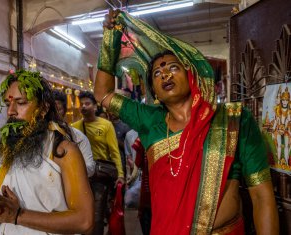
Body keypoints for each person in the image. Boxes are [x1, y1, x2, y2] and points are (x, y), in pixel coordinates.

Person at [94, 10, 279, 234]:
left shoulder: (232, 120)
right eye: (157, 73)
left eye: (173, 67)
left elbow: (261, 195)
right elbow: (102, 94)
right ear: (154, 92)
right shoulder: (150, 120)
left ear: (191, 74)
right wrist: (110, 38)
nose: (165, 75)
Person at [0, 69, 94, 234]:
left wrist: (18, 215)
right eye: (8, 104)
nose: (11, 111)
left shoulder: (62, 151)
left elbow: (84, 220)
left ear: (43, 109)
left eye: (21, 103)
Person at [71, 91, 124, 235]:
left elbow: (114, 151)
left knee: (97, 214)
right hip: (80, 176)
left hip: (100, 176)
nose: (83, 107)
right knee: (81, 212)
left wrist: (120, 174)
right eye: (81, 104)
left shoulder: (106, 125)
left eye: (87, 103)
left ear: (95, 107)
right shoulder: (74, 127)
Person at [52, 90, 96, 177]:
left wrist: (70, 168)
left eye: (58, 109)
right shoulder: (38, 136)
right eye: (50, 109)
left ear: (64, 110)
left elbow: (90, 168)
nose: (54, 114)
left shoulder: (78, 137)